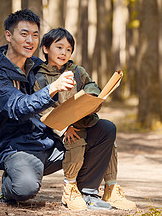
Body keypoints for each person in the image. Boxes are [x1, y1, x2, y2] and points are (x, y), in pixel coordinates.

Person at [0, 9, 123, 210]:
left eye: (35, 35)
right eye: (24, 34)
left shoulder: (38, 66)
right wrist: (53, 88)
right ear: (8, 36)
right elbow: (18, 108)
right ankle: (9, 185)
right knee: (25, 188)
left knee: (105, 129)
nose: (30, 40)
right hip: (19, 148)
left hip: (52, 140)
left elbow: (70, 82)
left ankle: (85, 193)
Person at [34, 28, 136, 210]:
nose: (64, 53)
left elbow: (91, 86)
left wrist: (94, 99)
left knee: (108, 129)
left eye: (68, 49)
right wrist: (64, 128)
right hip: (56, 128)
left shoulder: (78, 71)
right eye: (59, 47)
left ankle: (110, 188)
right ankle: (70, 188)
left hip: (83, 120)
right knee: (76, 136)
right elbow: (42, 109)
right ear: (45, 48)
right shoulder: (39, 76)